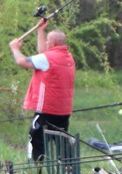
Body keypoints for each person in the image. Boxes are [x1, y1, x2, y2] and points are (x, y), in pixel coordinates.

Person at [9, 19, 76, 162]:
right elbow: (44, 53)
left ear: (53, 43)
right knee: (61, 140)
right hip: (63, 110)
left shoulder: (47, 59)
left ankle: (35, 169)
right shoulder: (68, 57)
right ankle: (69, 168)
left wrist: (15, 49)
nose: (46, 43)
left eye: (47, 41)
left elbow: (21, 61)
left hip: (46, 109)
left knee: (35, 139)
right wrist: (41, 30)